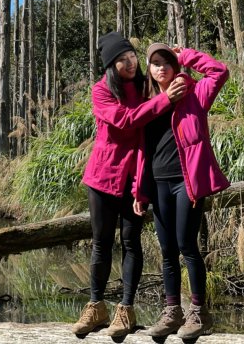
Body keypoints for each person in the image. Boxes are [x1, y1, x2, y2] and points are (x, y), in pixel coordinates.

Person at [71, 32, 186, 338]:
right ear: (111, 64)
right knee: (101, 243)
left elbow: (166, 72)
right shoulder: (101, 91)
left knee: (132, 243)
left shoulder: (146, 86)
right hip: (102, 177)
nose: (130, 62)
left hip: (135, 177)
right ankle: (96, 306)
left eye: (133, 56)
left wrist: (178, 56)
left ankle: (126, 309)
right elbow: (125, 120)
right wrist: (163, 100)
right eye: (122, 59)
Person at [133, 43, 230, 340]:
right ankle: (172, 311)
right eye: (155, 63)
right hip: (159, 183)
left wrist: (186, 53)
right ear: (149, 70)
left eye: (167, 62)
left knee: (187, 246)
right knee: (166, 251)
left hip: (187, 183)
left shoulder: (195, 94)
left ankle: (199, 312)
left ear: (175, 66)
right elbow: (143, 151)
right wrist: (140, 190)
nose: (161, 67)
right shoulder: (148, 102)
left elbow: (220, 71)